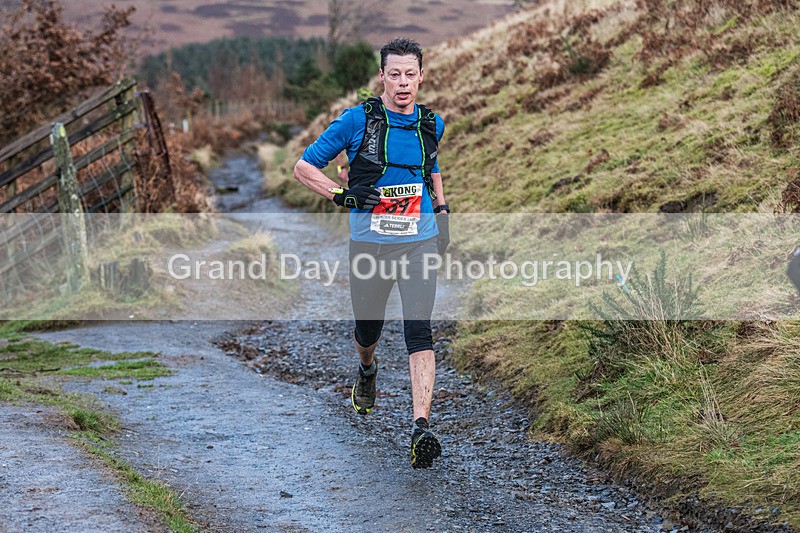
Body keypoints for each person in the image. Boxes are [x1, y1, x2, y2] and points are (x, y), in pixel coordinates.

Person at [293, 37, 449, 469]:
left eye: (410, 74)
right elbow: (304, 167)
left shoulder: (431, 123)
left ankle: (420, 427)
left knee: (420, 330)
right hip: (370, 245)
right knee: (368, 330)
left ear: (422, 76)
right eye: (394, 74)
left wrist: (442, 212)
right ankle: (367, 369)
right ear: (382, 76)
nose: (403, 82)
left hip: (418, 240)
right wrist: (342, 195)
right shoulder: (355, 121)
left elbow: (431, 166)